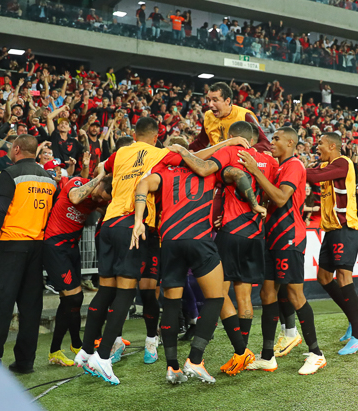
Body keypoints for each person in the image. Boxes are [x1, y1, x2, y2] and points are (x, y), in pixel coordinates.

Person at [77, 117, 249, 385]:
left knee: (114, 292)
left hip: (116, 225)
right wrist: (229, 142)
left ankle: (90, 352)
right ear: (157, 137)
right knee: (135, 291)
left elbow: (105, 170)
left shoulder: (130, 155)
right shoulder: (168, 157)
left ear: (134, 134)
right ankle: (108, 356)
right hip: (152, 229)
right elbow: (201, 162)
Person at [168, 121, 274, 376]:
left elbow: (230, 174)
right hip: (255, 234)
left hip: (231, 232)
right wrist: (258, 206)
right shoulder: (269, 162)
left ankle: (201, 356)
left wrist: (183, 151)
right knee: (245, 297)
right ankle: (243, 353)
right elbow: (269, 192)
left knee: (217, 295)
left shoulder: (231, 152)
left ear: (234, 137)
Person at [130, 137, 232, 384]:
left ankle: (172, 367)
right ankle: (195, 360)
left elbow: (142, 184)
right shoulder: (208, 169)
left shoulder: (164, 171)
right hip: (198, 238)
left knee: (172, 305)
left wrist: (138, 220)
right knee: (216, 297)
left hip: (170, 240)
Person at [238, 127, 327, 375]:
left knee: (296, 296)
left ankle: (317, 354)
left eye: (276, 139)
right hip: (272, 237)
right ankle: (268, 357)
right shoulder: (278, 168)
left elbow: (280, 198)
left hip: (290, 237)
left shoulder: (295, 165)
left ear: (290, 142)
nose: (272, 143)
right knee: (268, 294)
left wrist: (255, 171)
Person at [0, 135, 57, 374]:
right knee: (30, 308)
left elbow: (0, 209)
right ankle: (25, 362)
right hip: (37, 247)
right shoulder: (50, 178)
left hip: (10, 245)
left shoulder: (10, 174)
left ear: (16, 149)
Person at [305, 132, 358, 355]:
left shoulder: (342, 162)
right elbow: (315, 175)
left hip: (346, 228)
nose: (317, 147)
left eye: (320, 144)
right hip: (331, 230)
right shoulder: (326, 166)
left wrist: (293, 170)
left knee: (343, 276)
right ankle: (355, 318)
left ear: (332, 146)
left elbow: (312, 177)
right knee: (323, 277)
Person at [42, 164, 108, 367]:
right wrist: (100, 178)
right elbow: (75, 198)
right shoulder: (77, 183)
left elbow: (104, 207)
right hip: (55, 246)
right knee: (75, 297)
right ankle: (73, 345)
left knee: (70, 301)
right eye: (98, 196)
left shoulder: (97, 198)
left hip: (71, 248)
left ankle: (62, 349)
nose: (97, 200)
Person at [188, 82, 271, 153]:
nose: (210, 104)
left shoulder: (245, 115)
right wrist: (183, 149)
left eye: (215, 100)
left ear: (227, 101)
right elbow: (201, 143)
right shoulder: (208, 115)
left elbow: (264, 144)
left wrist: (242, 152)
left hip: (237, 163)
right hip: (215, 161)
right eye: (208, 100)